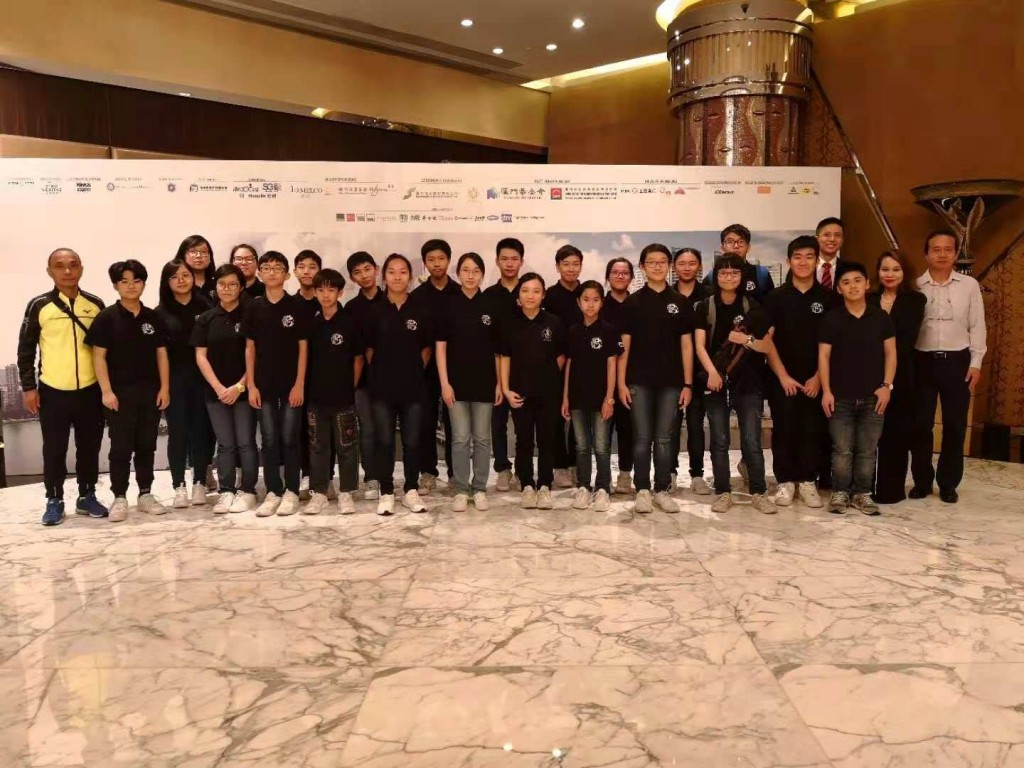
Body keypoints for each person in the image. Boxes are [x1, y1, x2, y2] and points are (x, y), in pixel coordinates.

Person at [18, 248, 108, 526]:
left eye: (73, 265)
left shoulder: (95, 304)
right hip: (53, 390)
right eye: (59, 266)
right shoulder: (39, 305)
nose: (67, 271)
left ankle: (87, 495)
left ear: (81, 269)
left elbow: (107, 349)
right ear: (50, 271)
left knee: (89, 447)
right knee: (54, 449)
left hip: (91, 390)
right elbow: (26, 349)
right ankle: (54, 499)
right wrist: (29, 387)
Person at [86, 260, 170, 522]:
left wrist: (165, 387)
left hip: (150, 391)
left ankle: (145, 494)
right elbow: (98, 357)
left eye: (136, 280)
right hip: (119, 394)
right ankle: (119, 497)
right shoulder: (106, 318)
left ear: (144, 283)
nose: (131, 286)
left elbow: (161, 354)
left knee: (146, 445)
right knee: (121, 447)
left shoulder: (153, 317)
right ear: (115, 285)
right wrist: (106, 391)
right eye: (124, 281)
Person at [910, 229, 987, 504]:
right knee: (921, 426)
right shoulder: (915, 285)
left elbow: (977, 325)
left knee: (955, 425)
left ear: (955, 254)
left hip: (958, 362)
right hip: (922, 362)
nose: (942, 254)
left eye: (948, 249)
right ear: (926, 254)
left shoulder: (969, 286)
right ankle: (921, 481)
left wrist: (976, 362)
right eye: (936, 249)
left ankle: (948, 483)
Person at [694, 254, 775, 515]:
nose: (729, 277)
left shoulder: (753, 306)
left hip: (749, 382)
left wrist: (746, 341)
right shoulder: (705, 306)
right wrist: (711, 373)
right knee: (719, 440)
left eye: (734, 273)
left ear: (742, 277)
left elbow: (766, 346)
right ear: (716, 276)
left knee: (752, 439)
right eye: (723, 273)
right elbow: (699, 345)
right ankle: (723, 492)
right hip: (715, 381)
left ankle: (759, 492)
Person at [763, 236, 839, 509]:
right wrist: (783, 376)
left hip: (816, 378)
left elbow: (834, 343)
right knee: (784, 429)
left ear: (817, 260)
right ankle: (785, 482)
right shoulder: (775, 298)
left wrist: (819, 377)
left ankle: (808, 481)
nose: (803, 262)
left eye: (809, 256)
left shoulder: (829, 299)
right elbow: (767, 340)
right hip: (781, 378)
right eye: (797, 257)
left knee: (812, 429)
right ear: (788, 261)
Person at [619, 244, 694, 514]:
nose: (658, 266)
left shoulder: (680, 302)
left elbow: (687, 346)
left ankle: (661, 489)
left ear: (669, 266)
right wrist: (621, 383)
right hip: (638, 381)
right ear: (642, 267)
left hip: (671, 382)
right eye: (651, 262)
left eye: (663, 261)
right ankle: (642, 489)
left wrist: (688, 384)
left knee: (664, 439)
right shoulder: (632, 303)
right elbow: (624, 347)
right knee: (641, 438)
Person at [819, 261, 896, 515]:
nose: (852, 286)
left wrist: (887, 386)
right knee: (842, 449)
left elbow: (891, 354)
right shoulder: (832, 319)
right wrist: (826, 391)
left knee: (867, 450)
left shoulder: (880, 317)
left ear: (867, 284)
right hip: (839, 396)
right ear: (838, 289)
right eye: (846, 282)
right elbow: (824, 357)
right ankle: (840, 492)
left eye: (857, 281)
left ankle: (862, 494)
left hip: (873, 397)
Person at [365, 254, 432, 515]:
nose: (397, 276)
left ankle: (411, 489)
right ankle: (386, 491)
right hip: (382, 388)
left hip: (413, 388)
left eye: (403, 272)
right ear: (384, 276)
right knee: (384, 440)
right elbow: (368, 350)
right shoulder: (375, 311)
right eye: (392, 272)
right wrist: (384, 371)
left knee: (412, 440)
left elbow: (426, 348)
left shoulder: (421, 310)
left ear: (410, 276)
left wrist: (412, 370)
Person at [245, 251, 309, 517]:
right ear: (260, 273)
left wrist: (299, 384)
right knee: (269, 440)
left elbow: (303, 348)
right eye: (267, 268)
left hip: (291, 385)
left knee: (290, 438)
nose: (272, 272)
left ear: (287, 274)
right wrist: (251, 385)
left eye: (278, 268)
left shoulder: (297, 307)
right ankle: (273, 490)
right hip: (263, 386)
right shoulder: (253, 307)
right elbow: (249, 348)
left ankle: (292, 490)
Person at [437, 252, 502, 512]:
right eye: (466, 270)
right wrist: (444, 383)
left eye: (476, 271)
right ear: (458, 274)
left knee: (483, 439)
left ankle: (480, 488)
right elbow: (440, 347)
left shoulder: (490, 305)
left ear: (483, 275)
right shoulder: (449, 305)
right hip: (456, 385)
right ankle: (462, 489)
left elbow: (498, 351)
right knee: (460, 439)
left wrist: (499, 383)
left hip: (485, 383)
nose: (471, 275)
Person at [192, 264, 258, 514]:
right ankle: (227, 490)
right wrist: (219, 388)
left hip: (244, 390)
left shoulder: (250, 315)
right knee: (226, 444)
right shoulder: (207, 318)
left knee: (246, 442)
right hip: (215, 393)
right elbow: (200, 356)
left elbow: (255, 354)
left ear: (241, 287)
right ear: (215, 287)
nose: (227, 289)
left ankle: (248, 490)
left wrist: (240, 386)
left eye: (232, 284)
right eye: (222, 284)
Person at [500, 272, 566, 509]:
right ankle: (527, 485)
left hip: (548, 393)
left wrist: (548, 376)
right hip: (519, 393)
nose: (531, 295)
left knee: (547, 440)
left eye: (536, 291)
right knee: (524, 440)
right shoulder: (509, 323)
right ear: (518, 294)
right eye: (526, 290)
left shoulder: (553, 322)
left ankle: (545, 485)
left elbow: (561, 356)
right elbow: (504, 358)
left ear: (543, 295)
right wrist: (506, 389)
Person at [303, 268, 363, 516]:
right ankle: (319, 493)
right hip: (316, 397)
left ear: (339, 292)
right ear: (315, 292)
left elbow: (358, 359)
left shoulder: (349, 321)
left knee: (347, 446)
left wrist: (350, 386)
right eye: (321, 290)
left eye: (331, 290)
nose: (326, 295)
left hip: (343, 397)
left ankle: (347, 492)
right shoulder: (311, 322)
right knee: (317, 447)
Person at [869, 251, 926, 504]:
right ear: (877, 272)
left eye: (896, 269)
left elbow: (905, 340)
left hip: (902, 373)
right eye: (885, 269)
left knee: (896, 433)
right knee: (868, 434)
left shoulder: (916, 300)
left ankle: (890, 490)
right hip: (867, 373)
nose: (890, 274)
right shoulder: (868, 299)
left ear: (905, 273)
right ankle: (863, 488)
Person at [155, 259, 212, 509]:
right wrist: (164, 387)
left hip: (203, 379)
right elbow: (159, 354)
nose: (181, 280)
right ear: (166, 282)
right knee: (178, 433)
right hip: (174, 380)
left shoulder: (206, 306)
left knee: (201, 432)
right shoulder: (159, 313)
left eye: (185, 275)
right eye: (174, 276)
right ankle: (179, 485)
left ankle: (200, 482)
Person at [562, 281, 619, 511]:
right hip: (577, 398)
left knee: (602, 446)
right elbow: (569, 365)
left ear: (602, 302)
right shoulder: (573, 331)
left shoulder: (609, 330)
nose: (590, 304)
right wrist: (565, 397)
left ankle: (603, 487)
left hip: (601, 399)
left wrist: (609, 398)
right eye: (586, 299)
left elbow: (612, 366)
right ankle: (584, 486)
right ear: (579, 302)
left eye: (595, 299)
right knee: (582, 445)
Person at [410, 239, 458, 495]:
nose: (437, 264)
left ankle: (455, 473)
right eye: (431, 259)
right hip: (424, 370)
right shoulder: (417, 297)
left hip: (456, 370)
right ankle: (427, 472)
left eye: (441, 258)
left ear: (448, 260)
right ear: (425, 263)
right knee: (425, 423)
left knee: (455, 425)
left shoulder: (460, 293)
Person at [670, 247, 714, 495]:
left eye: (692, 263)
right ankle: (670, 473)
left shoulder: (709, 295)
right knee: (671, 426)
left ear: (699, 266)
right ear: (674, 267)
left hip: (701, 372)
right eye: (682, 263)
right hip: (671, 371)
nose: (687, 268)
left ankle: (697, 475)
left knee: (696, 426)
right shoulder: (667, 294)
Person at [484, 237, 525, 493]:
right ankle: (502, 468)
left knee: (523, 425)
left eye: (514, 259)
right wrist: (499, 380)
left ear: (521, 261)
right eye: (504, 259)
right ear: (497, 261)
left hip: (525, 371)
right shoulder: (488, 296)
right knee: (497, 423)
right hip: (495, 370)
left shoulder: (529, 290)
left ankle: (522, 470)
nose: (509, 263)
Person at [543, 244, 584, 488]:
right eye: (566, 264)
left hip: (582, 365)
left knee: (579, 416)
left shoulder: (586, 293)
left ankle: (576, 464)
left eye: (575, 264)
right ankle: (559, 466)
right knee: (556, 418)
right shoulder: (549, 296)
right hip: (555, 364)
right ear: (557, 266)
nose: (571, 268)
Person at [346, 251, 384, 500]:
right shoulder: (351, 308)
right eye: (357, 272)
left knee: (386, 429)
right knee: (368, 429)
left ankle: (387, 474)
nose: (364, 275)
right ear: (352, 278)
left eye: (367, 269)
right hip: (363, 382)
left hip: (391, 379)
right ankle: (371, 476)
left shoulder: (392, 300)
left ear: (376, 269)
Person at [600, 257, 635, 496]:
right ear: (608, 276)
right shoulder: (599, 305)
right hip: (601, 377)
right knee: (601, 430)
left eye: (625, 273)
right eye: (615, 272)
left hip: (633, 376)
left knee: (627, 429)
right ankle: (602, 477)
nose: (620, 276)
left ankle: (625, 474)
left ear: (631, 277)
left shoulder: (637, 304)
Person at [293, 249, 325, 501]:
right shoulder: (289, 305)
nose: (307, 271)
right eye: (302, 266)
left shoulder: (326, 303)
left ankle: (324, 477)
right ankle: (305, 474)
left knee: (323, 431)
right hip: (294, 379)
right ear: (294, 271)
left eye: (312, 266)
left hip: (322, 378)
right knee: (299, 430)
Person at [704, 224, 775, 301]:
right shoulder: (713, 276)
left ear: (748, 247)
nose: (736, 246)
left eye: (741, 242)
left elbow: (770, 304)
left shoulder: (761, 274)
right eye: (730, 242)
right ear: (722, 248)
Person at [177, 234, 217, 303]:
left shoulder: (217, 285)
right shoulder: (178, 284)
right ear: (183, 255)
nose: (198, 256)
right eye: (193, 251)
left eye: (203, 252)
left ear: (210, 257)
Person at [815, 217, 844, 290]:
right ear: (817, 239)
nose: (832, 239)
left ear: (842, 241)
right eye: (827, 235)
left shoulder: (847, 270)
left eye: (837, 235)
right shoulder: (804, 268)